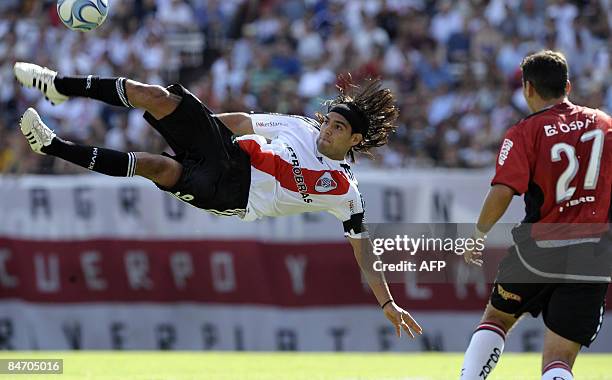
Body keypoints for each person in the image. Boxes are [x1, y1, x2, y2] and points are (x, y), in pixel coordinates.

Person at [14, 62, 423, 339]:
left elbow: (363, 247)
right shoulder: (299, 126)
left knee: (158, 168)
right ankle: (58, 85)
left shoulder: (346, 193)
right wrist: (192, 128)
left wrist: (387, 301)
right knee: (155, 96)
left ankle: (51, 146)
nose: (326, 130)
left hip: (233, 195)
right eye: (328, 121)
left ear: (354, 140)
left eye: (337, 128)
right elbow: (244, 123)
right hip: (230, 152)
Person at [459, 50, 611, 380]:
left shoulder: (526, 131)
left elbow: (502, 191)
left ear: (527, 88)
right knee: (558, 359)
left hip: (538, 248)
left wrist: (478, 235)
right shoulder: (605, 125)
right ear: (567, 85)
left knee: (497, 318)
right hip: (593, 252)